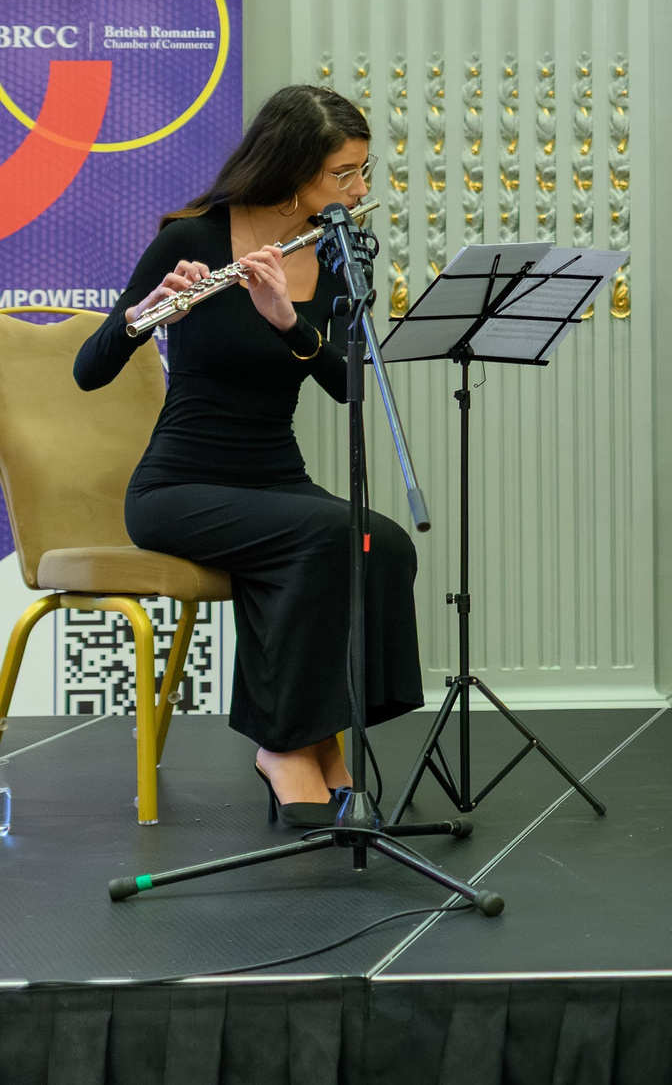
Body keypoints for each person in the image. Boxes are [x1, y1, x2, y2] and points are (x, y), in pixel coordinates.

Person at [74, 84, 422, 829]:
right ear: (293, 172)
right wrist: (139, 318)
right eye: (343, 175)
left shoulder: (336, 251)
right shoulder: (190, 239)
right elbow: (89, 370)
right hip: (180, 484)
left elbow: (351, 385)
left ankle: (324, 731)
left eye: (363, 172)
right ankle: (286, 744)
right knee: (324, 538)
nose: (359, 190)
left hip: (275, 477)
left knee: (379, 542)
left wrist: (290, 321)